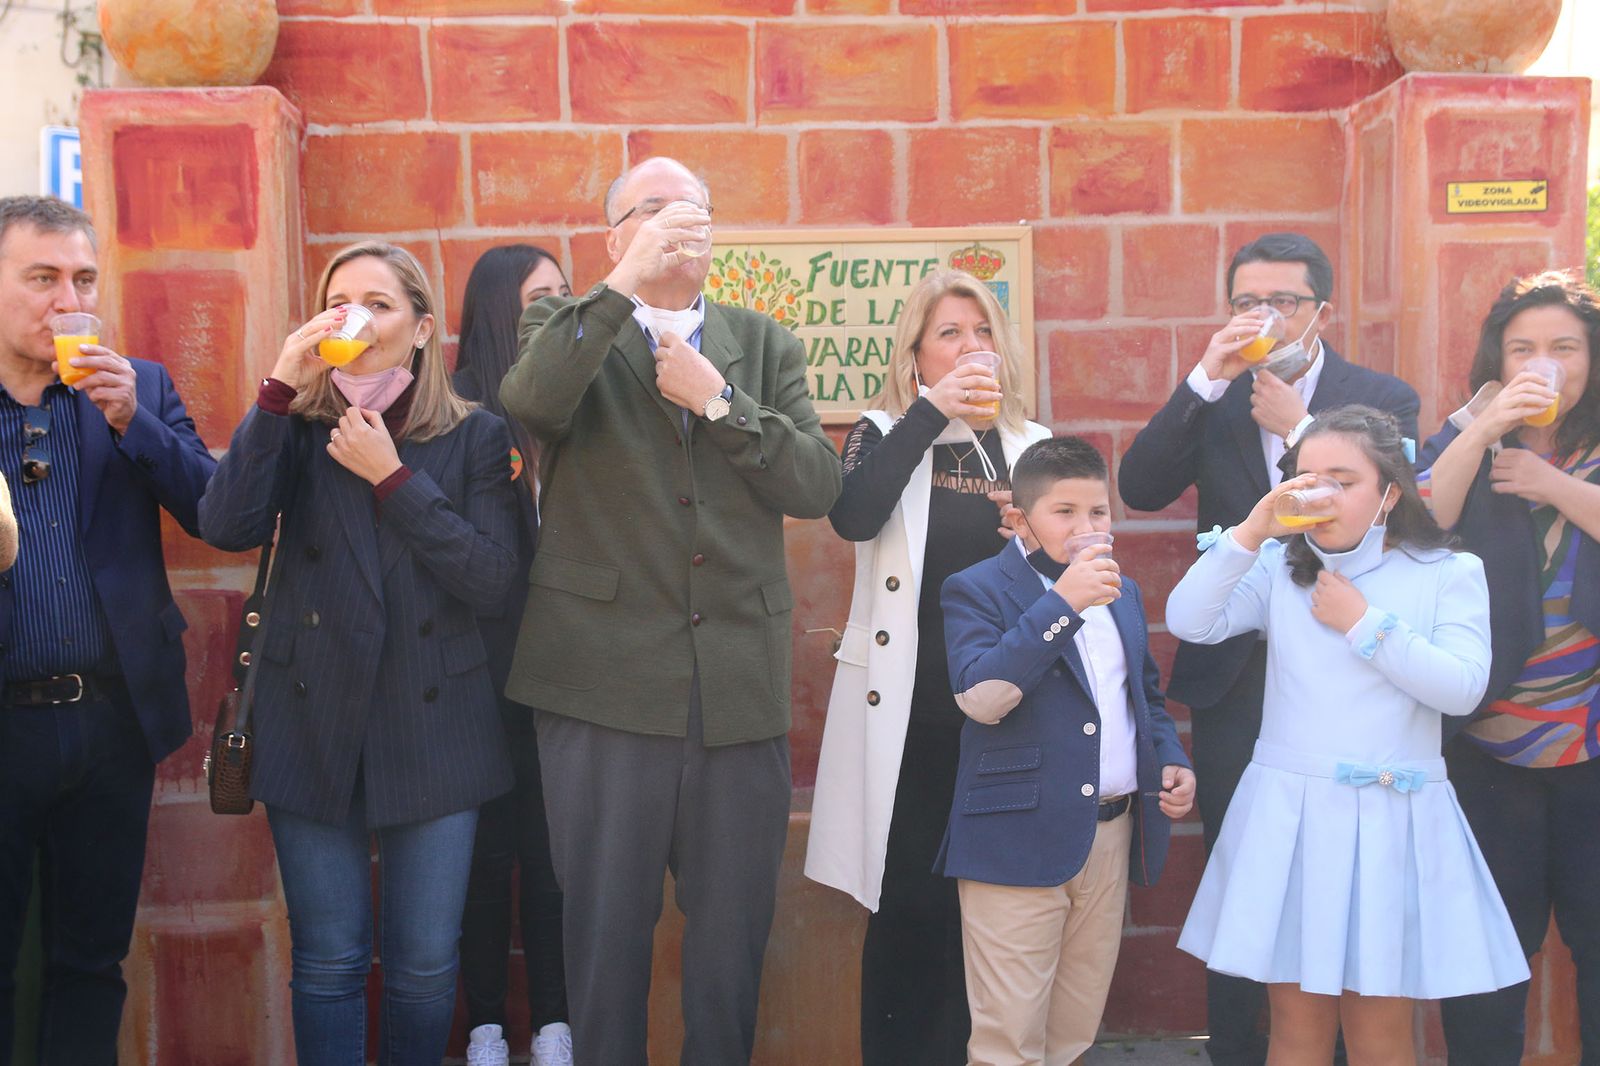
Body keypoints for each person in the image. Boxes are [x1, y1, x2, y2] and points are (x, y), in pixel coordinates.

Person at [498, 157, 841, 1065]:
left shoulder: (764, 344)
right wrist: (620, 285)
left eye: (692, 208)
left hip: (736, 692)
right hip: (601, 688)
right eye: (649, 211)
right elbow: (531, 400)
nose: (675, 223)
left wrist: (721, 402)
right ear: (613, 236)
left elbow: (816, 484)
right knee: (605, 943)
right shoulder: (563, 324)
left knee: (732, 943)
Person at [198, 241, 519, 1066]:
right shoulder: (295, 429)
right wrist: (276, 386)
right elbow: (227, 526)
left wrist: (392, 479)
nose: (356, 319)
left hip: (436, 727)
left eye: (379, 303)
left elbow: (492, 580)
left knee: (420, 968)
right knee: (331, 960)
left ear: (419, 328)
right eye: (340, 302)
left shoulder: (474, 435)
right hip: (311, 721)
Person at [1117, 233, 1419, 1065]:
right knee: (1242, 887)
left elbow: (1412, 513)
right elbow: (1139, 489)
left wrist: (1307, 430)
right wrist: (1206, 378)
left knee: (1350, 894)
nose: (1266, 318)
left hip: (1349, 677)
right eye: (1248, 302)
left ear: (1324, 309)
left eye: (1284, 302)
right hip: (1237, 684)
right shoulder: (1215, 394)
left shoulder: (1381, 396)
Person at [1167, 405, 1529, 1066]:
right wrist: (1251, 531)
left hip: (1394, 822)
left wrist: (1365, 624)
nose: (1320, 493)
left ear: (1390, 492)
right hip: (1292, 819)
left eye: (1343, 478)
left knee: (1380, 1032)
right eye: (1306, 476)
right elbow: (1190, 619)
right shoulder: (1277, 566)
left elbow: (1462, 688)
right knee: (1295, 1027)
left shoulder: (1448, 573)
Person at [802, 268, 1047, 1063]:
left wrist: (1035, 542)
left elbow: (1072, 573)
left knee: (992, 912)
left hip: (1003, 713)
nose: (972, 348)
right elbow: (854, 515)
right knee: (907, 901)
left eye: (983, 334)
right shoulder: (882, 430)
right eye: (950, 334)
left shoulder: (1032, 446)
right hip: (907, 717)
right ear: (915, 356)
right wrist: (930, 410)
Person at [0, 195, 216, 1064]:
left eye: (83, 279)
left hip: (108, 725)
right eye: (42, 278)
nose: (67, 301)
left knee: (92, 964)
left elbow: (214, 508)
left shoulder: (143, 386)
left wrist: (137, 422)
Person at [936, 436, 1195, 1066]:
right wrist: (1062, 604)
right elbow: (981, 697)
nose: (1086, 528)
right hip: (1016, 838)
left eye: (1098, 512)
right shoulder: (975, 588)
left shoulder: (1125, 594)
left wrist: (1170, 760)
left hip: (1108, 836)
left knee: (1073, 1033)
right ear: (1021, 520)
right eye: (1065, 512)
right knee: (1008, 1040)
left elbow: (1145, 700)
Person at [1414, 270, 1600, 1065]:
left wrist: (1553, 484)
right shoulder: (1469, 433)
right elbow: (1421, 522)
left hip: (1592, 748)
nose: (1544, 362)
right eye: (1523, 347)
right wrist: (1485, 425)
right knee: (1489, 954)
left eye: (1564, 347)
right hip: (1489, 748)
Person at [451, 244, 573, 1066]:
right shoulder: (456, 411)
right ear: (500, 309)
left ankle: (558, 1027)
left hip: (566, 672)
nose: (558, 311)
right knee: (486, 854)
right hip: (475, 673)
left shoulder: (571, 405)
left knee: (555, 852)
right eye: (541, 298)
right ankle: (488, 1027)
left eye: (566, 295)